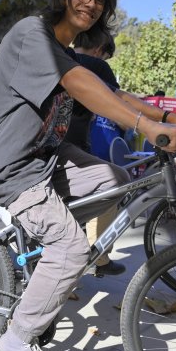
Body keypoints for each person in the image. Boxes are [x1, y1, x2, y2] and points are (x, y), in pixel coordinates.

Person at [0, 0, 176, 351]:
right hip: (8, 166)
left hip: (46, 158)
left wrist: (165, 115)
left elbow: (110, 91)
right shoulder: (32, 34)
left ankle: (44, 250)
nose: (91, 3)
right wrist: (147, 128)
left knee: (115, 178)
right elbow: (76, 83)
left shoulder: (67, 51)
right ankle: (17, 340)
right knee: (71, 247)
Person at [63, 27, 127, 275]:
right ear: (100, 50)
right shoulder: (96, 66)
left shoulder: (63, 58)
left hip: (49, 143)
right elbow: (118, 104)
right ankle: (98, 257)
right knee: (113, 182)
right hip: (75, 145)